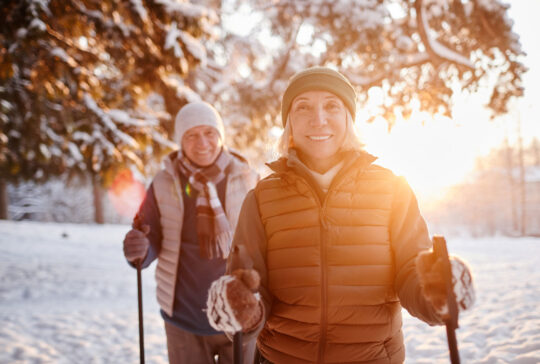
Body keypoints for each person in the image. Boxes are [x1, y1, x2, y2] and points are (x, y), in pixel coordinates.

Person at [206, 67, 475, 363]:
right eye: (303, 107)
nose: (318, 119)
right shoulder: (260, 198)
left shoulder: (392, 189)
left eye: (332, 105)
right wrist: (243, 309)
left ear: (349, 117)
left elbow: (410, 270)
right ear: (289, 123)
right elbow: (249, 285)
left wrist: (436, 293)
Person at [123, 101, 259, 364]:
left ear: (220, 135)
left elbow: (266, 240)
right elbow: (150, 237)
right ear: (180, 142)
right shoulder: (164, 183)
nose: (202, 143)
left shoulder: (247, 178)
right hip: (184, 319)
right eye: (191, 135)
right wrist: (139, 250)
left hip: (240, 314)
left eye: (209, 133)